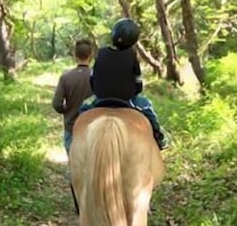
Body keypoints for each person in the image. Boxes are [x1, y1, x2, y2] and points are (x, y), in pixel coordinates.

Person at [90, 17, 168, 150]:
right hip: (127, 100)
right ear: (134, 40)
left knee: (82, 112)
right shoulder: (132, 56)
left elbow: (92, 79)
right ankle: (158, 137)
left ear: (114, 34)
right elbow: (138, 84)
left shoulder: (101, 53)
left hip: (100, 99)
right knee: (147, 107)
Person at [52, 38, 94, 154]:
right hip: (93, 127)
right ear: (91, 55)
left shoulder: (65, 77)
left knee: (74, 167)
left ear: (75, 55)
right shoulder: (97, 77)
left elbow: (56, 104)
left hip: (72, 127)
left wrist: (67, 111)